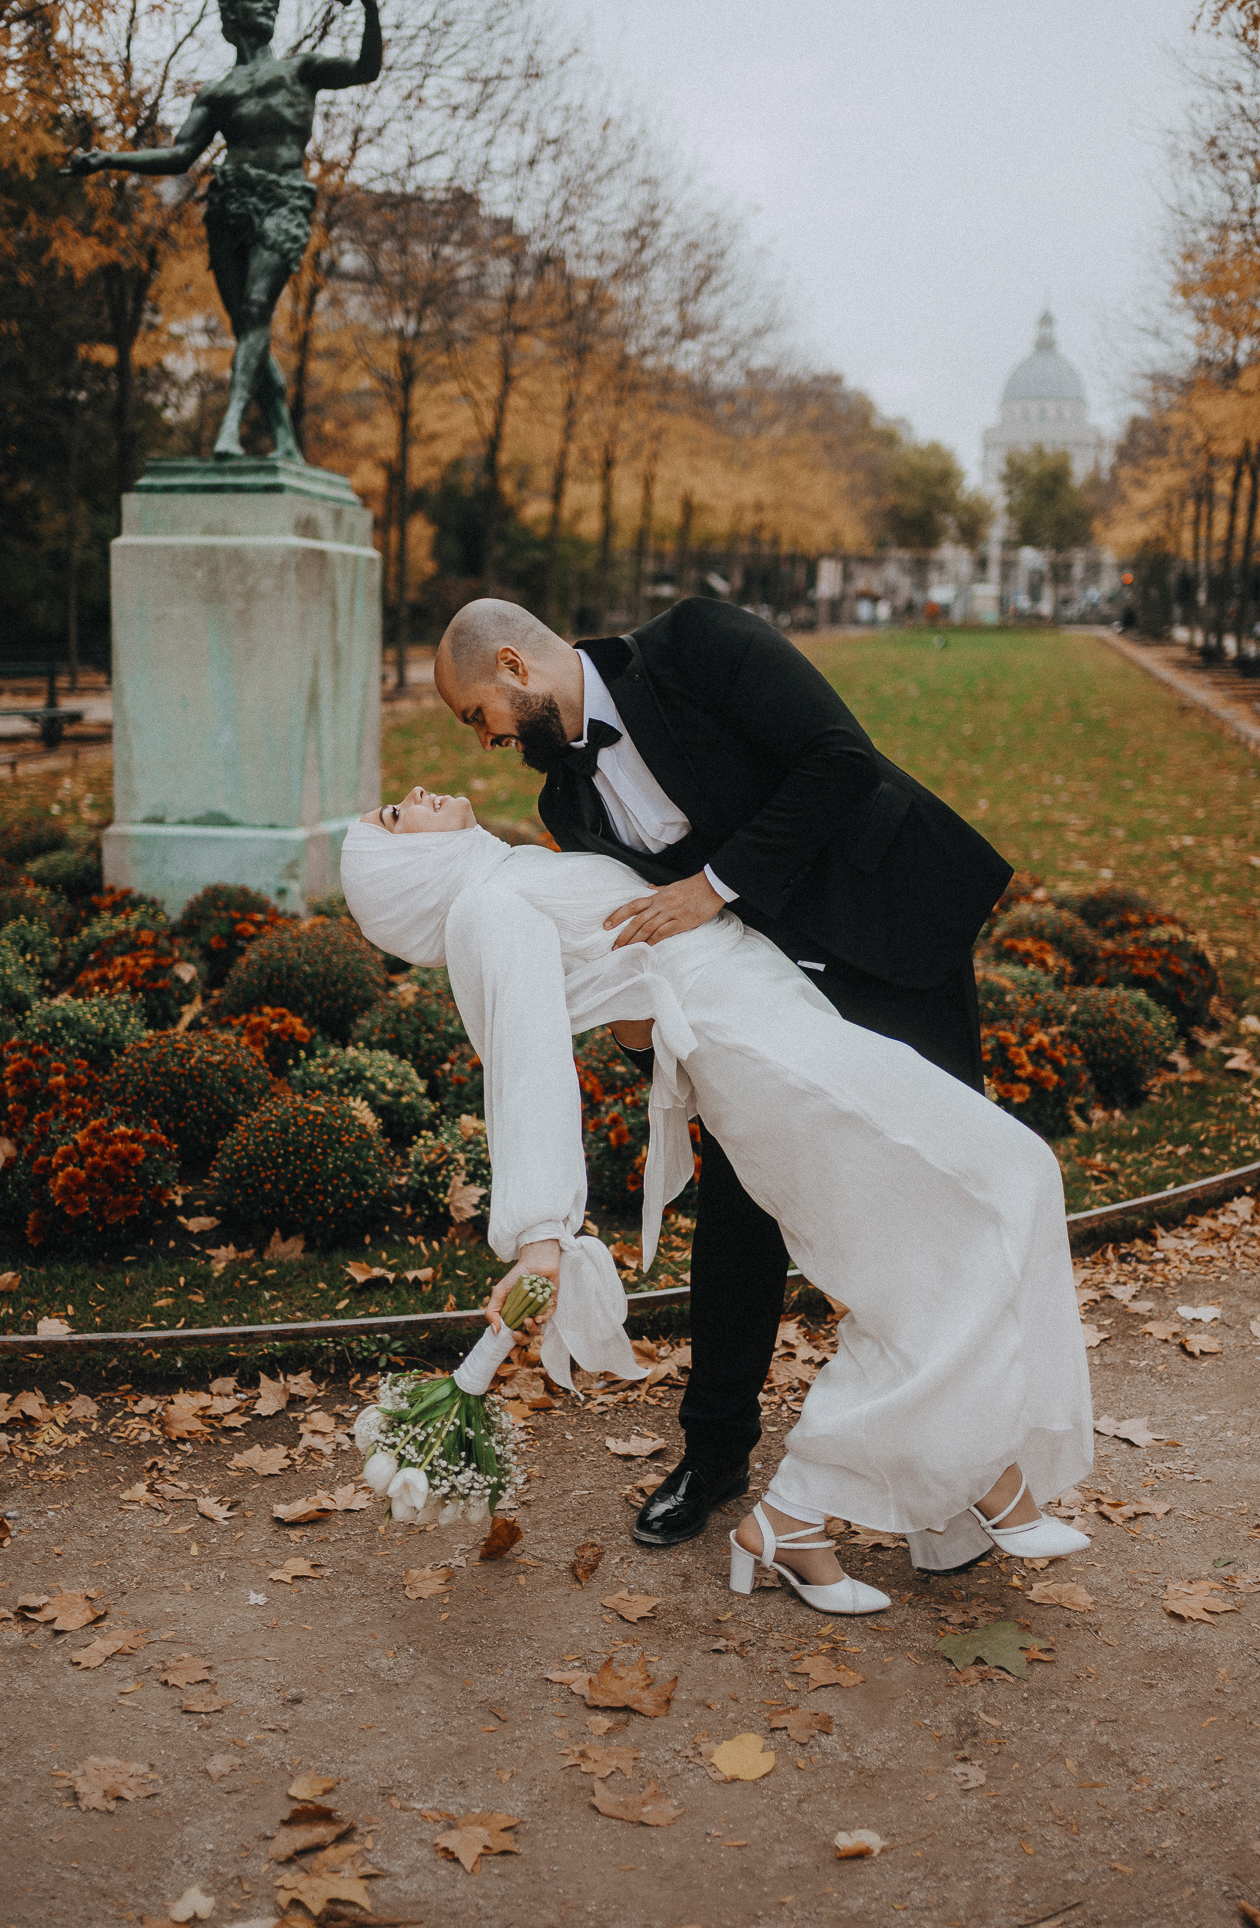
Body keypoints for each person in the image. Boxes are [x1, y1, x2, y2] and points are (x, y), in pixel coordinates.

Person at [340, 792, 1092, 1613]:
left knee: (928, 1243)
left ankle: (819, 1514)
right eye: (393, 818)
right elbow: (527, 1067)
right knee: (1004, 1174)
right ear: (408, 872)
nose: (411, 799)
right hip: (759, 1051)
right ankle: (953, 1490)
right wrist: (540, 1237)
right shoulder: (489, 906)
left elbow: (620, 985)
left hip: (779, 1025)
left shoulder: (510, 875)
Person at [433, 597, 1013, 1553]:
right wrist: (643, 1036)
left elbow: (839, 761)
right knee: (739, 1214)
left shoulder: (697, 643)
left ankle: (957, 1472)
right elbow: (633, 941)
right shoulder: (564, 805)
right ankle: (713, 1457)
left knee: (940, 1190)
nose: (486, 740)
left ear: (514, 665)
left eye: (476, 715)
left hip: (886, 926)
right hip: (762, 996)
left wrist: (709, 890)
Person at [68, 0, 383, 461]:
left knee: (258, 309)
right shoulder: (218, 92)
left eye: (272, 1)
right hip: (229, 206)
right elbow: (178, 156)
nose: (268, 8)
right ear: (234, 13)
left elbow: (366, 69)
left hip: (284, 201)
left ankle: (229, 427)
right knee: (247, 328)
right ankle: (285, 440)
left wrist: (367, 4)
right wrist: (109, 158)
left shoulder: (301, 71)